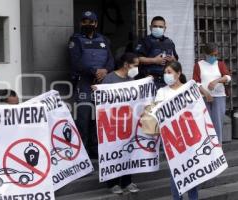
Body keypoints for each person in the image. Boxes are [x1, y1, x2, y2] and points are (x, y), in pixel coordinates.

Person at [68, 11, 114, 158]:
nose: (88, 24)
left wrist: (105, 70)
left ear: (96, 24)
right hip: (85, 84)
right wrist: (95, 71)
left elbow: (111, 60)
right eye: (84, 21)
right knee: (83, 118)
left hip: (102, 85)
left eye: (91, 22)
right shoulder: (75, 40)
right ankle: (82, 153)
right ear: (81, 23)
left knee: (99, 118)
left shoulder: (103, 40)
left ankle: (95, 150)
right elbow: (76, 62)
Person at [155, 61, 198, 200]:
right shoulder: (161, 92)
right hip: (171, 138)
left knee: (192, 171)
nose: (166, 75)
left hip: (189, 137)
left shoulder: (188, 89)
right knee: (176, 172)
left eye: (169, 72)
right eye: (165, 72)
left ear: (178, 73)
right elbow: (157, 112)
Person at [101, 52, 140, 194]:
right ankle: (112, 183)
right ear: (126, 65)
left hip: (128, 123)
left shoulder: (132, 79)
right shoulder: (109, 79)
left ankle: (127, 181)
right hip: (113, 123)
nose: (137, 68)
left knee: (128, 152)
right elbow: (102, 101)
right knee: (114, 152)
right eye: (135, 65)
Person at [193, 43, 231, 144]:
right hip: (204, 97)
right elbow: (196, 82)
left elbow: (228, 77)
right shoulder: (198, 65)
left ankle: (218, 146)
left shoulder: (220, 64)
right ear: (205, 54)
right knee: (205, 122)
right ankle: (207, 147)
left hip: (219, 97)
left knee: (217, 123)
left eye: (216, 55)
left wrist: (216, 81)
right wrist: (205, 93)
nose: (214, 57)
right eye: (211, 55)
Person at [135, 16, 178, 88]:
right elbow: (137, 59)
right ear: (150, 27)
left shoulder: (169, 42)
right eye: (155, 26)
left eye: (161, 27)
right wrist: (154, 60)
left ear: (165, 28)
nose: (158, 28)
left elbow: (176, 59)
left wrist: (172, 60)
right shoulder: (145, 41)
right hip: (149, 80)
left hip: (167, 81)